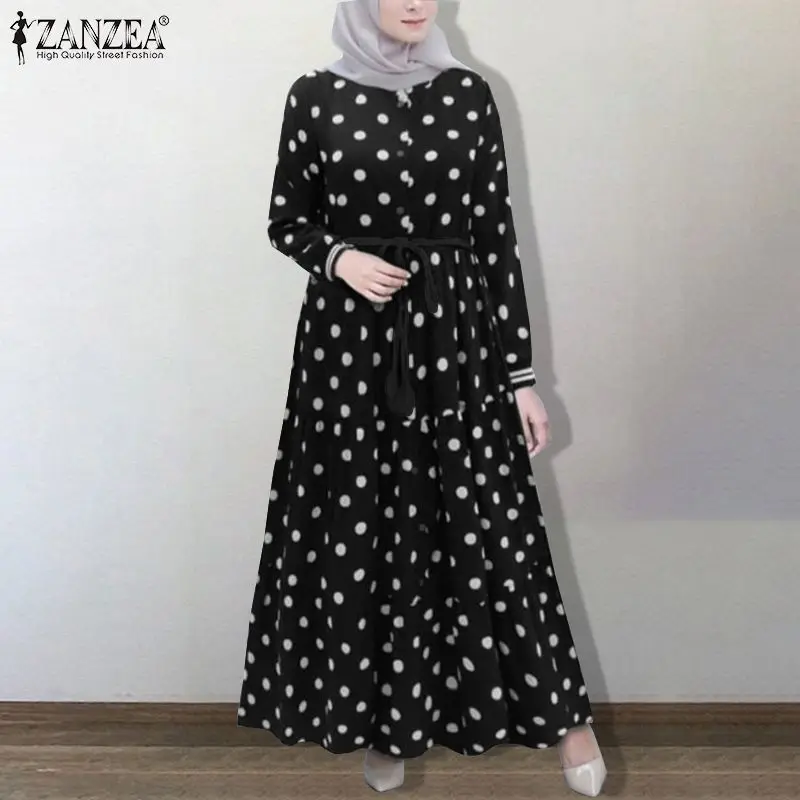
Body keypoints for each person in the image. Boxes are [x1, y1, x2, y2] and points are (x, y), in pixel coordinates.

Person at [237, 0, 606, 795]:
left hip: (457, 342)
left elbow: (495, 236)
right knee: (363, 529)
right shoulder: (315, 95)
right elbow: (286, 218)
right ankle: (387, 726)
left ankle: (569, 725)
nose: (414, 1)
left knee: (494, 525)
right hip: (349, 348)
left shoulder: (470, 94)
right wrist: (339, 258)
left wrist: (521, 376)